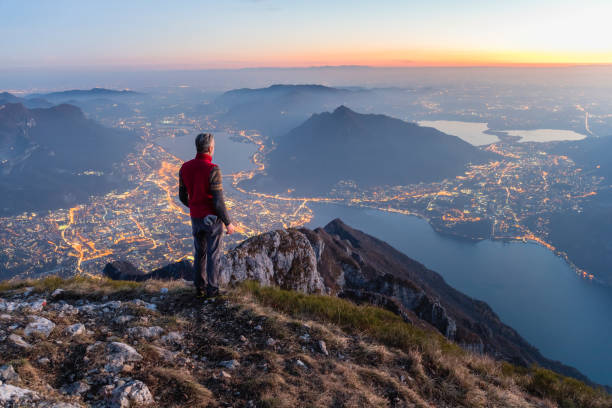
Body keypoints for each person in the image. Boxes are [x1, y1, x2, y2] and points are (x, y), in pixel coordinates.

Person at [178, 133, 235, 298]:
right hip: (211, 219)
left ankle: (199, 288)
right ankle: (212, 290)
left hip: (195, 218)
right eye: (214, 147)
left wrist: (195, 206)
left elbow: (182, 197)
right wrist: (228, 222)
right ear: (210, 148)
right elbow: (218, 202)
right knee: (213, 254)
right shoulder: (213, 169)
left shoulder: (184, 168)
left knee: (199, 253)